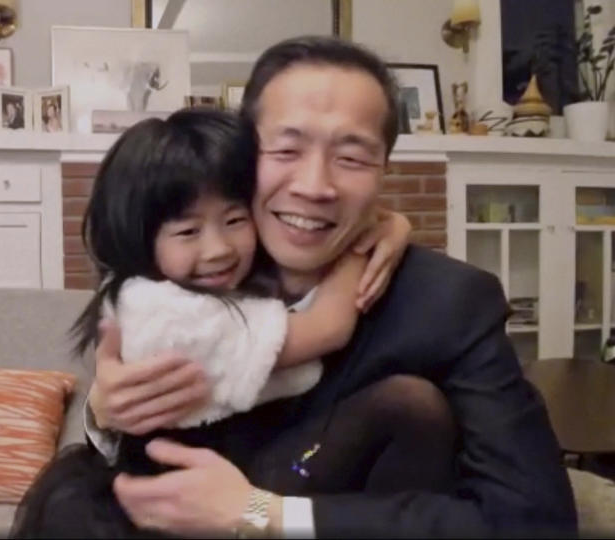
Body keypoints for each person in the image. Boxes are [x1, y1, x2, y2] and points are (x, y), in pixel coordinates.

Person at [82, 36, 576, 537]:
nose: (315, 186)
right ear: (240, 155)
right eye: (287, 148)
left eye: (352, 158)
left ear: (385, 168)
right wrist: (102, 413)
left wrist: (263, 515)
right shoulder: (185, 277)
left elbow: (535, 520)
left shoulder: (449, 302)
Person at [10, 110, 413, 537]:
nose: (219, 249)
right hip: (181, 504)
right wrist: (363, 236)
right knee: (405, 403)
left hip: (241, 479)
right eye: (187, 232)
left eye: (235, 220)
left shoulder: (230, 284)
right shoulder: (168, 315)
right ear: (139, 238)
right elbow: (328, 328)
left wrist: (385, 223)